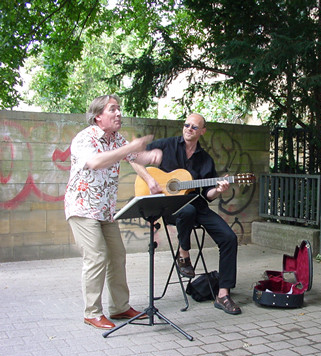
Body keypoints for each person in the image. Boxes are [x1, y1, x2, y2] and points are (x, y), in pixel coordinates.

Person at [65, 94, 163, 330]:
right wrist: (129, 148)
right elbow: (97, 162)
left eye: (119, 109)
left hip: (105, 210)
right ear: (98, 116)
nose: (119, 113)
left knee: (117, 255)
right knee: (97, 256)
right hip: (83, 208)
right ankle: (92, 312)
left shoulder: (116, 139)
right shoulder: (84, 139)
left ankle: (120, 308)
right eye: (112, 110)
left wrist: (148, 157)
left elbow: (132, 157)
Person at [138, 113, 241, 315]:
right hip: (168, 206)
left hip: (198, 206)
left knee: (229, 238)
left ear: (202, 131)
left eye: (194, 127)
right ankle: (183, 254)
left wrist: (219, 190)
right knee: (187, 209)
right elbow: (135, 157)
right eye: (186, 125)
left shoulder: (205, 159)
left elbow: (208, 195)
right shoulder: (167, 145)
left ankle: (223, 294)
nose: (188, 129)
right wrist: (150, 180)